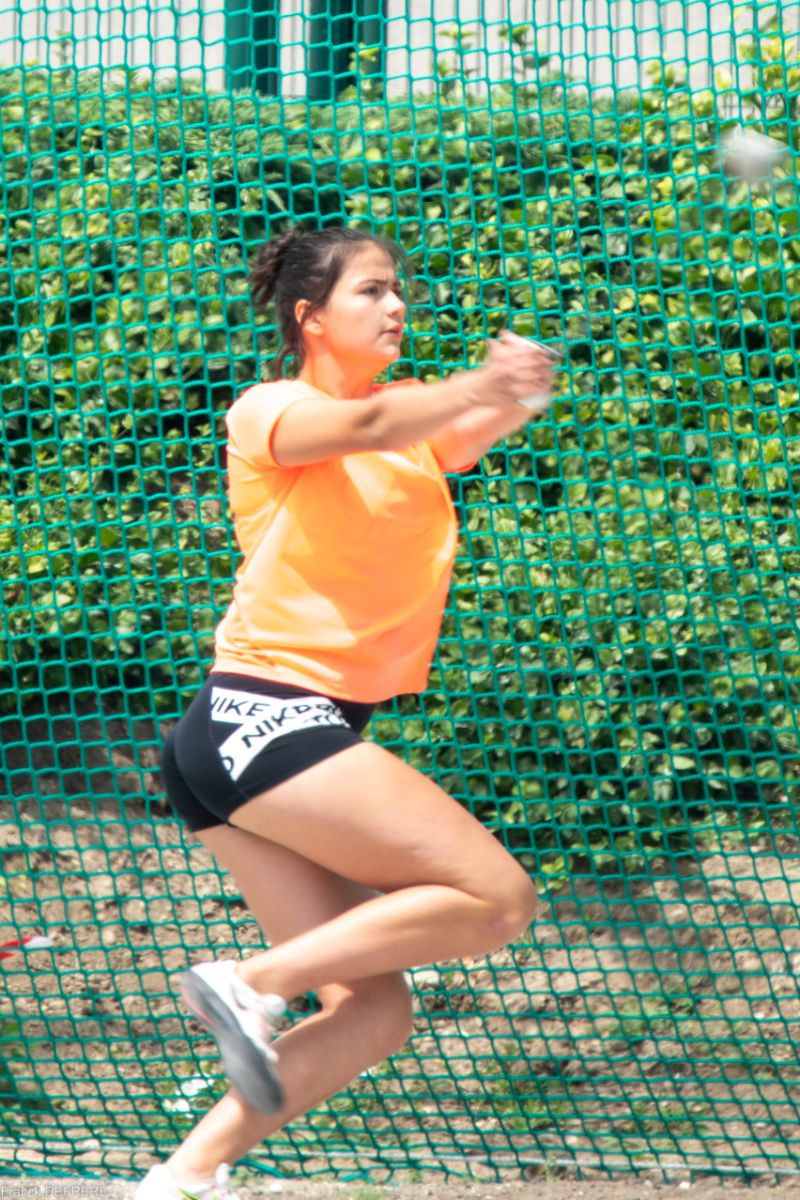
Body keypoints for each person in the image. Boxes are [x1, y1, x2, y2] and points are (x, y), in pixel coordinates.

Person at [135, 225, 555, 1200]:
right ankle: (249, 983)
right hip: (262, 715)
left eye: (396, 287)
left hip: (259, 739)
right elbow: (369, 428)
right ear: (309, 317)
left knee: (375, 1012)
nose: (395, 304)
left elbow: (460, 430)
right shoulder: (271, 408)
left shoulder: (407, 423)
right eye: (370, 290)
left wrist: (520, 388)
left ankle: (183, 1177)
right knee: (498, 900)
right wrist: (479, 383)